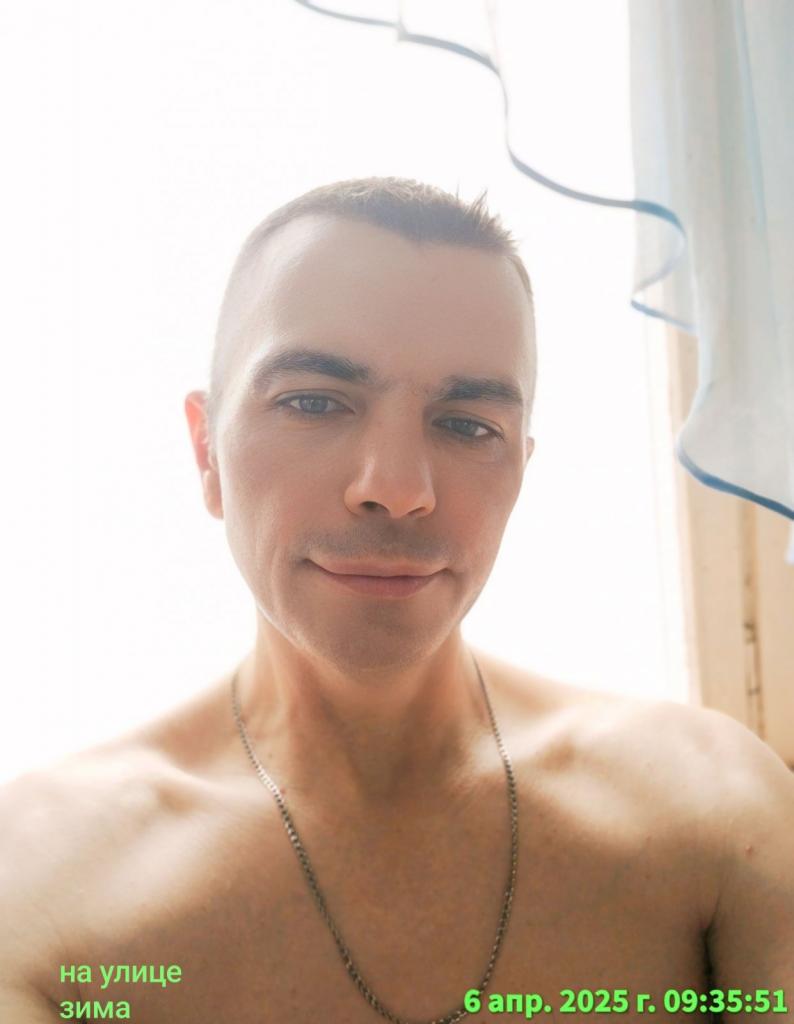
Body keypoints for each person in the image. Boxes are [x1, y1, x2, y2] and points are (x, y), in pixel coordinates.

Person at [1, 177, 792, 1024]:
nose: (398, 487)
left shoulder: (711, 812)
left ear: (520, 468)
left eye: (467, 424)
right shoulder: (43, 883)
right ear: (207, 453)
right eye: (314, 402)